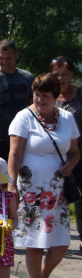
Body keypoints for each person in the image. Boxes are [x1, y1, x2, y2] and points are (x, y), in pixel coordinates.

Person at [8, 73, 79, 278]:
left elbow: (74, 151)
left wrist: (71, 163)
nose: (39, 100)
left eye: (45, 96)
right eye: (36, 94)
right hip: (31, 190)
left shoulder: (67, 118)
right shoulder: (24, 118)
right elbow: (15, 154)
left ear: (55, 96)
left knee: (61, 244)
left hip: (58, 190)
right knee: (35, 243)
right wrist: (11, 184)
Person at [0, 40, 33, 160]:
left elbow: (34, 109)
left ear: (16, 55)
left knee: (23, 177)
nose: (4, 62)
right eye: (1, 58)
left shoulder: (27, 78)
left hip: (23, 138)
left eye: (8, 58)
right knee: (0, 178)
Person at [51, 56, 82, 245]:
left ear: (71, 74)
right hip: (55, 153)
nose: (61, 78)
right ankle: (53, 235)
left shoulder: (79, 94)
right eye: (56, 74)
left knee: (80, 196)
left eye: (64, 74)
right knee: (55, 195)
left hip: (79, 151)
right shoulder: (48, 96)